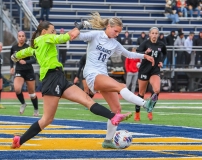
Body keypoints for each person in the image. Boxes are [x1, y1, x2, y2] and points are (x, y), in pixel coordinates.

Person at [10, 21, 132, 149]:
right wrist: (79, 26)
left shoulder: (35, 46)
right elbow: (67, 37)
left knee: (87, 100)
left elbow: (22, 53)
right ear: (44, 31)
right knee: (47, 119)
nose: (54, 33)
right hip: (51, 80)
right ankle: (20, 140)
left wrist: (14, 57)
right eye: (52, 31)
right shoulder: (46, 38)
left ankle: (114, 117)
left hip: (59, 78)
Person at [76, 12, 158, 149]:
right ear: (108, 26)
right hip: (91, 74)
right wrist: (79, 26)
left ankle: (108, 141)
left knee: (116, 109)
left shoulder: (114, 43)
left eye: (119, 32)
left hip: (102, 75)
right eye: (116, 31)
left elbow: (129, 54)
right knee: (120, 85)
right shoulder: (96, 35)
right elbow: (77, 35)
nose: (117, 34)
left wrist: (144, 56)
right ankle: (145, 104)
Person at [134, 27, 167, 121]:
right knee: (141, 93)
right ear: (149, 34)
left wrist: (161, 61)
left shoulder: (161, 44)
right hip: (144, 70)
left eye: (156, 33)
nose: (154, 35)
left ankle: (150, 109)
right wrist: (145, 53)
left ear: (158, 35)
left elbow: (165, 53)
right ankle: (137, 113)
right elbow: (137, 52)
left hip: (155, 70)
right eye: (152, 33)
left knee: (156, 90)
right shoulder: (145, 43)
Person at [10, 31, 39, 116]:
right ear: (17, 37)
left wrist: (26, 62)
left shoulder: (28, 47)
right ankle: (23, 103)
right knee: (17, 89)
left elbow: (34, 60)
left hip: (29, 71)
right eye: (20, 36)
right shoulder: (14, 48)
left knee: (32, 94)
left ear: (25, 37)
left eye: (23, 36)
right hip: (19, 71)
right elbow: (11, 58)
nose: (21, 37)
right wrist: (11, 67)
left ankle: (36, 109)